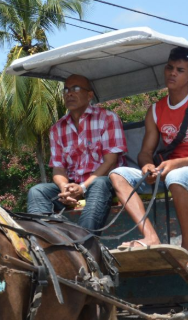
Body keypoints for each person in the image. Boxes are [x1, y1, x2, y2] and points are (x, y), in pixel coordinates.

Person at [108, 46, 188, 270]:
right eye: (169, 68)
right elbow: (144, 152)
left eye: (180, 70)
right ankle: (150, 237)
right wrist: (147, 166)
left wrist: (176, 164)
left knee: (177, 177)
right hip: (167, 171)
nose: (172, 73)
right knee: (117, 174)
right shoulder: (155, 110)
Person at [26, 74, 126, 231]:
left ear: (89, 95)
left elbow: (110, 161)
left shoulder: (107, 118)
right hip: (74, 186)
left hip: (105, 184)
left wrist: (83, 187)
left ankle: (83, 240)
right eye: (66, 90)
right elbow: (58, 168)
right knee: (37, 191)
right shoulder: (57, 128)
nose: (69, 93)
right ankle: (45, 239)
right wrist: (65, 187)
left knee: (100, 184)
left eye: (76, 89)